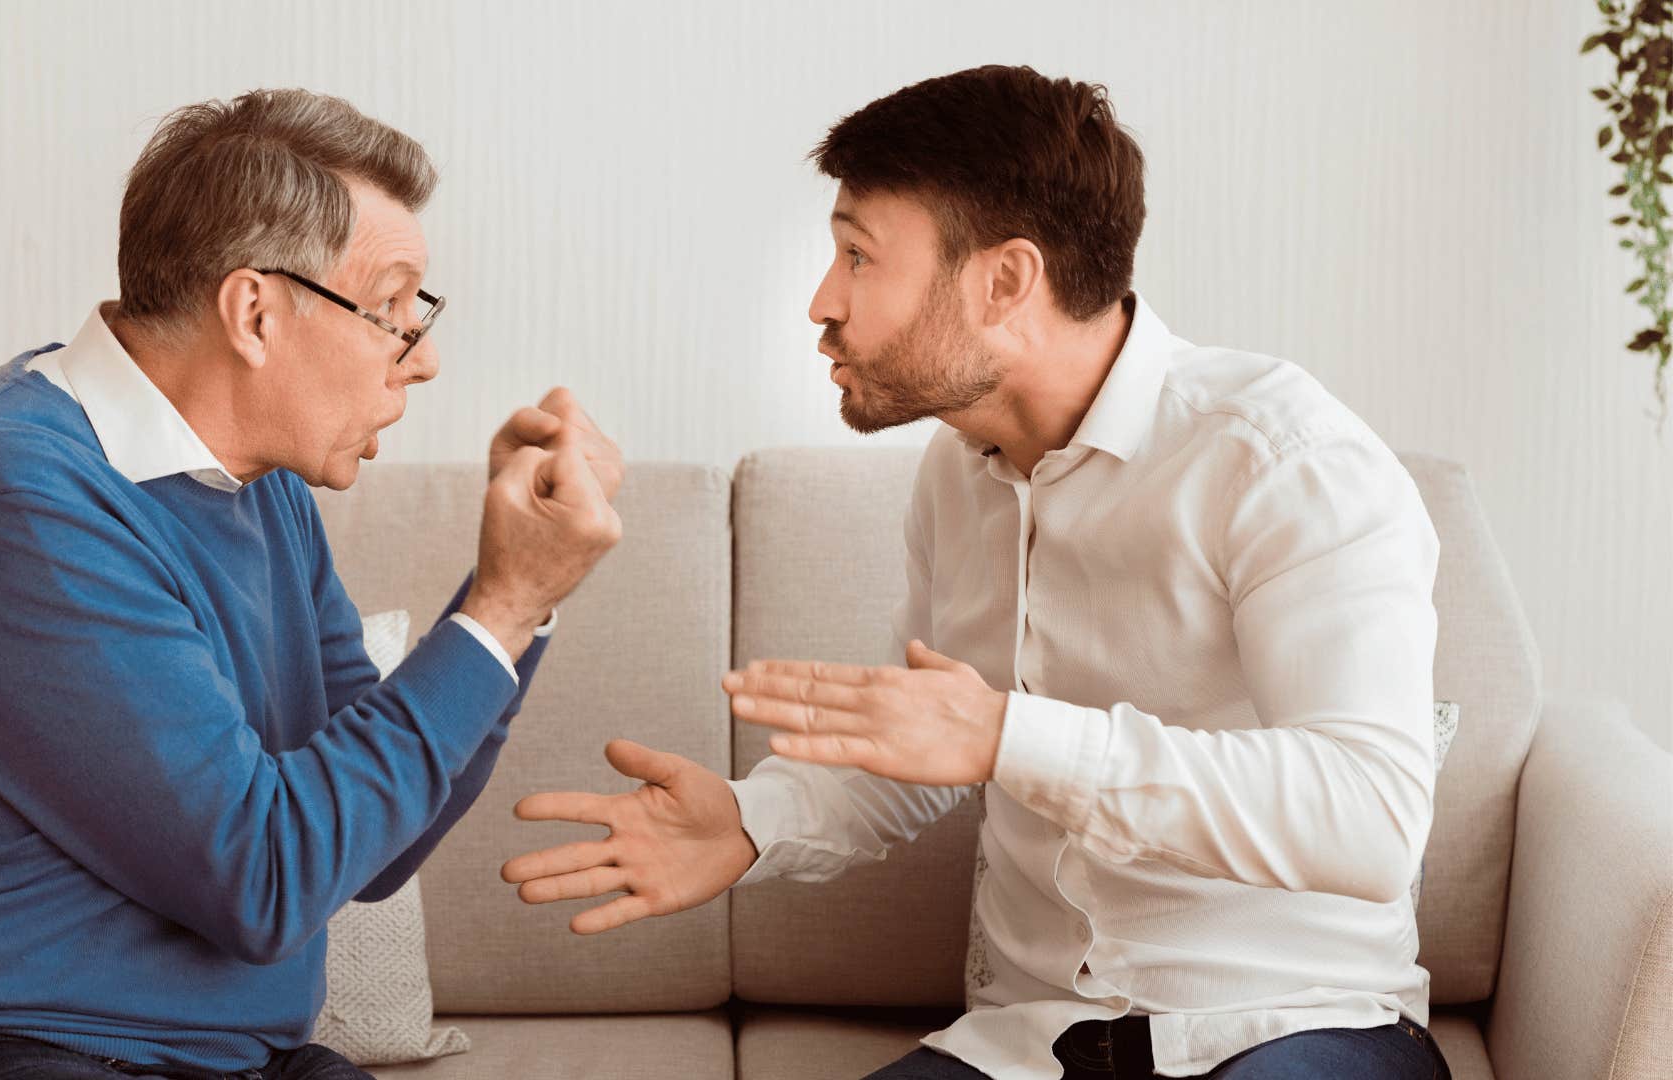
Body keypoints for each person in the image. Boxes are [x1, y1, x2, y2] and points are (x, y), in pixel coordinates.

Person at [502, 66, 1452, 1080]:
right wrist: (747, 821)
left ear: (1005, 282)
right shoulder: (956, 475)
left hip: (1294, 1026)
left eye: (858, 255)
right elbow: (921, 748)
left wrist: (1010, 735)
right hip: (1032, 1046)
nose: (823, 302)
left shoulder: (1281, 461)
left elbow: (1371, 816)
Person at [0, 88, 623, 1080]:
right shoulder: (6, 491)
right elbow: (264, 877)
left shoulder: (261, 492)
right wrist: (501, 607)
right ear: (254, 313)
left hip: (216, 1061)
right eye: (392, 310)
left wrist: (517, 601)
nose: (423, 359)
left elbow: (375, 850)